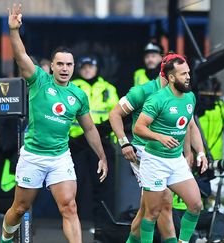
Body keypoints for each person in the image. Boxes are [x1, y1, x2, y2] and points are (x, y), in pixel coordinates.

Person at [0, 4, 108, 243]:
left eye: (69, 65)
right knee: (19, 208)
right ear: (51, 66)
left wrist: (101, 155)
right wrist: (14, 31)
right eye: (60, 64)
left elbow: (89, 128)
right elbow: (20, 56)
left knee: (69, 207)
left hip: (60, 157)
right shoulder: (39, 80)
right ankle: (6, 237)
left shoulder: (78, 95)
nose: (65, 69)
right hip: (33, 156)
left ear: (73, 67)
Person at [133, 53, 209, 243]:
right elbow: (139, 127)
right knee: (152, 213)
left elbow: (191, 126)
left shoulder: (190, 97)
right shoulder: (157, 99)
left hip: (176, 161)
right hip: (155, 161)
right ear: (172, 77)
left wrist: (200, 153)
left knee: (196, 204)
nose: (188, 77)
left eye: (188, 73)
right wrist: (159, 136)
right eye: (183, 74)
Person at [109, 56, 180, 242]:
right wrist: (124, 142)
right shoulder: (143, 91)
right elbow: (114, 114)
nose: (185, 77)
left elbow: (187, 126)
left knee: (149, 208)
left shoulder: (178, 94)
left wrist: (191, 152)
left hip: (166, 155)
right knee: (163, 202)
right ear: (168, 74)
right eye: (180, 73)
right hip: (143, 154)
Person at [69, 56, 118, 229]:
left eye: (91, 66)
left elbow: (116, 115)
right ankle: (73, 222)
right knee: (74, 183)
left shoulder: (108, 89)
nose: (87, 70)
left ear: (97, 68)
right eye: (84, 67)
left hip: (101, 142)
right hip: (76, 143)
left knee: (103, 184)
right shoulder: (71, 87)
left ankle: (102, 224)